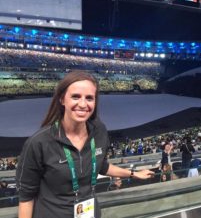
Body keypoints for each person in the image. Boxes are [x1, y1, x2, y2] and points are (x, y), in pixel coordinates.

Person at [16, 70, 154, 218]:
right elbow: (26, 197)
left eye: (89, 98)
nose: (83, 104)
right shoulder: (38, 142)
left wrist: (133, 174)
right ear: (62, 99)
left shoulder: (99, 131)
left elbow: (100, 165)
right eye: (75, 96)